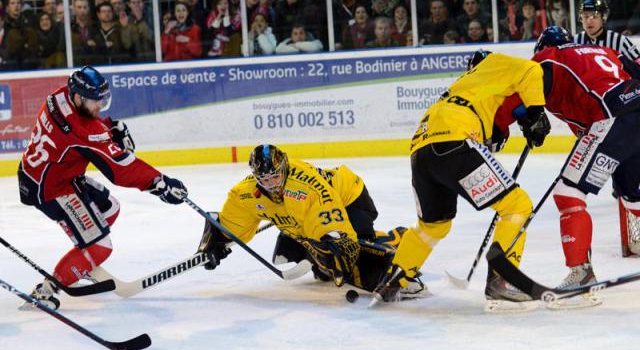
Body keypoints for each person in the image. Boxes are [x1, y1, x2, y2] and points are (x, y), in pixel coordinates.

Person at [372, 50, 551, 306]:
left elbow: (491, 129)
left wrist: (523, 120)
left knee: (433, 226)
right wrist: (536, 114)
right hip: (456, 140)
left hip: (421, 148)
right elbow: (533, 71)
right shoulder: (494, 64)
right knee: (517, 206)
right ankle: (502, 281)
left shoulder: (464, 86)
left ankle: (392, 283)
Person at [17, 66, 188, 310]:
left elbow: (84, 127)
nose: (100, 106)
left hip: (45, 174)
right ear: (78, 97)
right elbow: (120, 168)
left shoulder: (58, 96)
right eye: (95, 101)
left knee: (109, 208)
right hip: (52, 189)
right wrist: (158, 182)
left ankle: (80, 263)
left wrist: (109, 128)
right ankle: (46, 290)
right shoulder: (84, 130)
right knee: (100, 247)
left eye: (103, 100)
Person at [196, 144, 423, 296]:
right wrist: (218, 240)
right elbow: (233, 222)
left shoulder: (305, 186)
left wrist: (337, 242)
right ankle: (300, 245)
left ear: (284, 168)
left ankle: (396, 237)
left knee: (353, 252)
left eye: (275, 176)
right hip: (308, 215)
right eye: (264, 179)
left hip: (349, 199)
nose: (272, 184)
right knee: (324, 271)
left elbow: (329, 219)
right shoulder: (245, 193)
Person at [530, 26, 640, 291]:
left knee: (568, 192)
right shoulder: (605, 50)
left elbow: (527, 86)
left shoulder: (549, 57)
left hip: (613, 116)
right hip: (635, 110)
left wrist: (529, 116)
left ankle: (580, 272)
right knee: (630, 193)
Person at [575, 0, 640, 63]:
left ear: (603, 18)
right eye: (585, 17)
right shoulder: (575, 41)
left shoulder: (620, 41)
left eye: (594, 17)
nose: (589, 21)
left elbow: (638, 64)